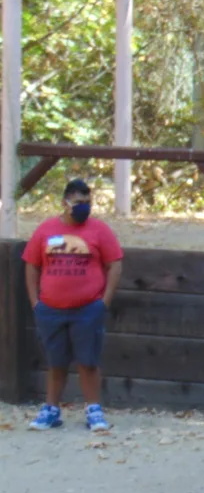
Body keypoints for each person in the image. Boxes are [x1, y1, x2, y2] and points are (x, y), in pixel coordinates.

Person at [22, 178, 123, 431]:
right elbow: (32, 265)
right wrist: (36, 302)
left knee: (88, 361)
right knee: (56, 361)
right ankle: (51, 410)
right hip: (50, 310)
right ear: (64, 203)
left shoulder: (99, 230)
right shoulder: (45, 230)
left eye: (87, 203)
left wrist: (104, 301)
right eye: (78, 202)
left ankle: (93, 410)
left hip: (88, 309)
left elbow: (115, 264)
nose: (83, 207)